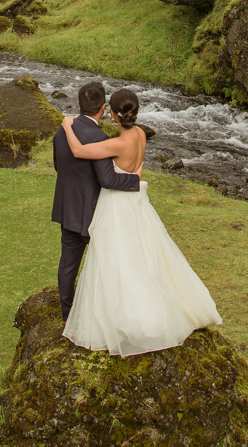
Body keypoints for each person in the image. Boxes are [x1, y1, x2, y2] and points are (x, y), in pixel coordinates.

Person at [57, 86, 223, 356]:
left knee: (117, 261)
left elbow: (79, 152)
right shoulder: (142, 135)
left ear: (112, 114)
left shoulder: (115, 143)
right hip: (137, 204)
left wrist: (66, 125)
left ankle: (123, 317)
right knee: (140, 257)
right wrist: (135, 178)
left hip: (117, 204)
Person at [51, 80, 141, 322]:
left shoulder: (62, 131)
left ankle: (68, 315)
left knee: (68, 265)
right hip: (96, 213)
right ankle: (109, 316)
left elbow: (59, 166)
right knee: (109, 264)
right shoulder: (100, 138)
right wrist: (135, 180)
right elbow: (107, 179)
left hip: (68, 209)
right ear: (103, 108)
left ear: (78, 103)